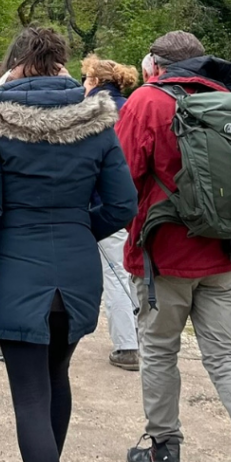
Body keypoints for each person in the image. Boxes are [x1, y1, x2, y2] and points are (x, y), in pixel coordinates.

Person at [0, 26, 137, 462]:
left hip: (15, 273)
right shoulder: (95, 119)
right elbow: (121, 204)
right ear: (61, 63)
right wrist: (80, 227)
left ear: (15, 63)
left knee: (31, 395)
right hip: (77, 270)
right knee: (58, 374)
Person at [117, 31, 231, 462]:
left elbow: (122, 179)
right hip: (225, 253)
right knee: (226, 353)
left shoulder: (146, 102)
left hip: (163, 253)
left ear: (156, 65)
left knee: (158, 350)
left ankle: (163, 451)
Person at [82, 54, 142, 373]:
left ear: (93, 81)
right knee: (133, 270)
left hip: (105, 201)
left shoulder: (92, 112)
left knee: (116, 274)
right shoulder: (134, 106)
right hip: (140, 200)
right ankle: (141, 335)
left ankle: (127, 345)